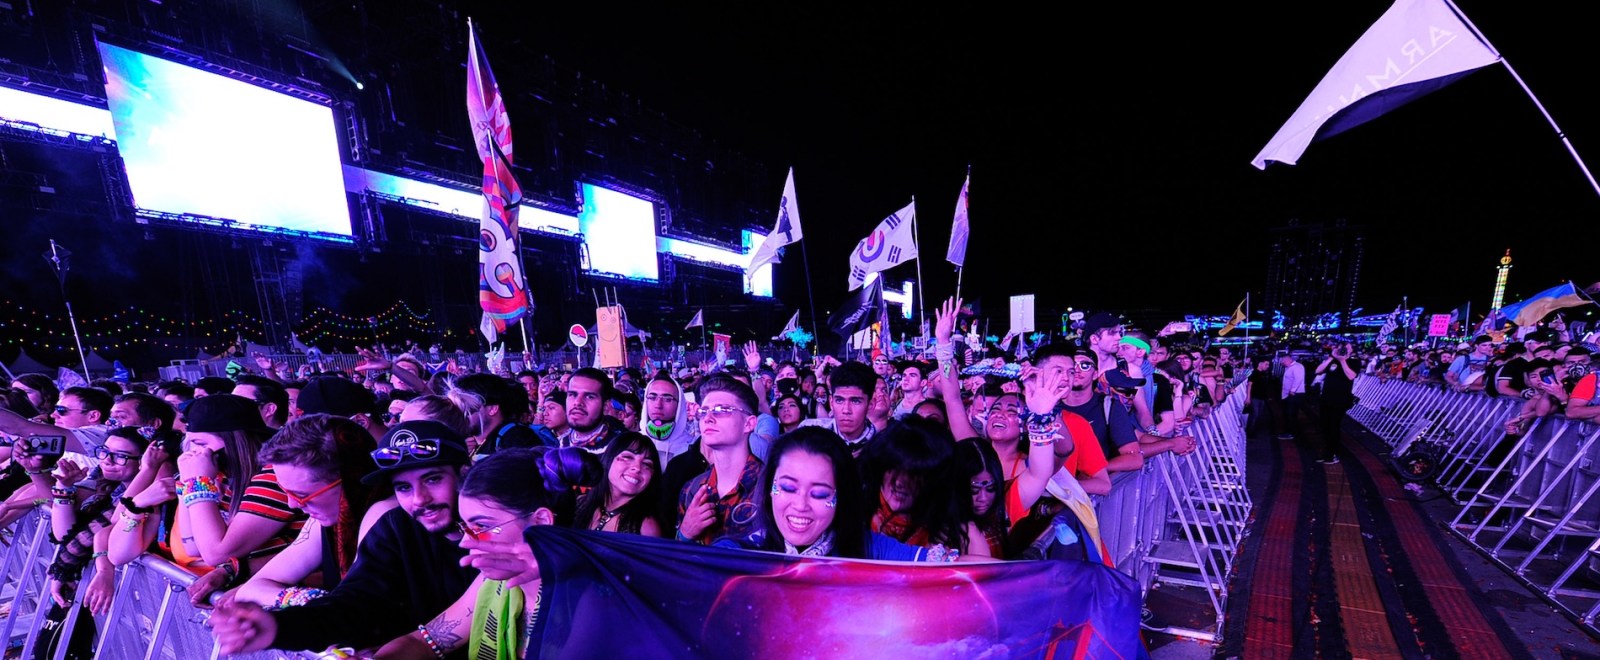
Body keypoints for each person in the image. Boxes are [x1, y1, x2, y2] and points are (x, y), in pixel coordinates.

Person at [208, 420, 477, 654]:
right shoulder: (396, 526)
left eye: (432, 479)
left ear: (464, 475)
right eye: (403, 487)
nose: (420, 499)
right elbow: (356, 603)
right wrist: (278, 627)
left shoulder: (504, 531)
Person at [190, 415, 395, 609]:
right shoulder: (323, 521)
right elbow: (252, 588)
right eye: (286, 492)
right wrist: (308, 600)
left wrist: (196, 482)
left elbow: (214, 553)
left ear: (349, 482)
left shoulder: (389, 516)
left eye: (301, 494)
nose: (292, 504)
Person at [371, 448, 557, 659]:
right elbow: (423, 641)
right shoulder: (493, 584)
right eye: (465, 527)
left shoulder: (584, 600)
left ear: (540, 522)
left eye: (481, 526)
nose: (466, 542)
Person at [717, 427, 970, 562]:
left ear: (841, 496)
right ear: (769, 489)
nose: (800, 504)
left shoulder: (867, 548)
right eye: (788, 488)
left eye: (819, 494)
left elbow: (966, 571)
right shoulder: (737, 553)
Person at [13, 426, 149, 659]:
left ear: (143, 462)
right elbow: (63, 533)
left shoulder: (149, 497)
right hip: (88, 591)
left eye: (121, 456)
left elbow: (105, 532)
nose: (108, 460)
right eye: (105, 452)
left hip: (133, 605)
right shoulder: (106, 489)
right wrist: (64, 486)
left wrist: (100, 571)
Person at [858, 416, 993, 557]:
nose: (899, 483)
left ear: (935, 478)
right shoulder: (853, 509)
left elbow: (986, 574)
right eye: (894, 468)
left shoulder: (959, 531)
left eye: (913, 474)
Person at [676, 374, 765, 545]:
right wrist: (684, 535)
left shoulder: (771, 488)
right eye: (704, 411)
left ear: (749, 423)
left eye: (722, 410)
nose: (708, 418)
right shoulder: (692, 490)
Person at [572, 432, 662, 536]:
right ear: (608, 460)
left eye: (647, 464)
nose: (637, 468)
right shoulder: (578, 504)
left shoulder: (646, 528)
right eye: (628, 457)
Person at [798, 361, 880, 450]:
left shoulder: (882, 447)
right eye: (839, 400)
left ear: (870, 405)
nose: (846, 410)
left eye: (855, 401)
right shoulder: (808, 434)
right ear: (831, 402)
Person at [1314, 342, 1358, 464]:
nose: (1343, 350)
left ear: (1351, 349)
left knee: (1334, 426)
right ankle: (1326, 451)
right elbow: (1318, 371)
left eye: (1346, 348)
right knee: (1324, 426)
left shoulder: (1354, 361)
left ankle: (1332, 453)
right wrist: (1332, 357)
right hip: (1326, 398)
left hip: (1340, 400)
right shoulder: (1332, 361)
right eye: (1341, 348)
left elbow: (1351, 376)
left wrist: (1343, 360)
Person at [1277, 352, 1306, 440]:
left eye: (1282, 361)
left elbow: (1298, 379)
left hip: (1295, 394)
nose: (1281, 363)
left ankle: (1291, 433)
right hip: (1288, 394)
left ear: (1287, 360)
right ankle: (1289, 431)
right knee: (1288, 414)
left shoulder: (1297, 367)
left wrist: (1293, 390)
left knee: (1291, 414)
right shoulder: (1289, 367)